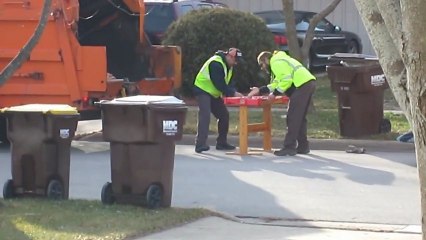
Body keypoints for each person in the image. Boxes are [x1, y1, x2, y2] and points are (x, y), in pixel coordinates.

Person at [248, 50, 316, 156]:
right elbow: (277, 83)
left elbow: (286, 80)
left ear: (266, 59)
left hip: (302, 85)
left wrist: (273, 95)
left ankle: (289, 147)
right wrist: (260, 90)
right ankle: (303, 146)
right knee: (299, 117)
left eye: (262, 64)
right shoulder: (280, 60)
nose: (262, 67)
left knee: (292, 117)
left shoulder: (275, 62)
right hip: (308, 83)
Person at [193, 48, 244, 153]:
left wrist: (233, 91)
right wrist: (233, 93)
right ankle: (200, 144)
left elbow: (228, 83)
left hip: (213, 93)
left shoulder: (228, 66)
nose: (236, 63)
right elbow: (219, 83)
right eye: (235, 60)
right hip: (202, 90)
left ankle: (222, 143)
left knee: (224, 115)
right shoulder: (216, 63)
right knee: (205, 116)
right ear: (229, 56)